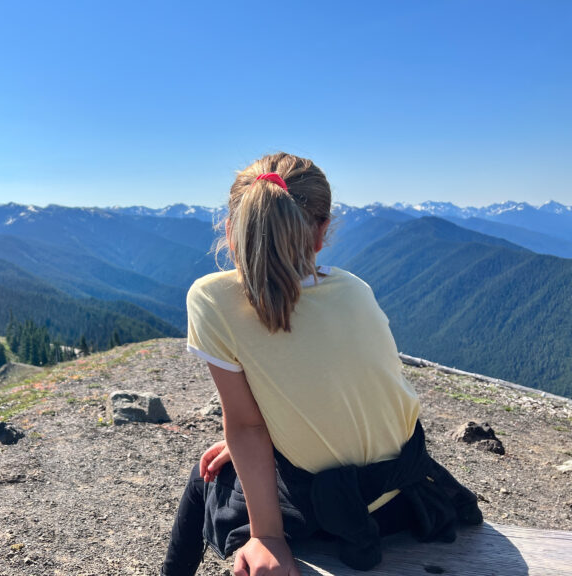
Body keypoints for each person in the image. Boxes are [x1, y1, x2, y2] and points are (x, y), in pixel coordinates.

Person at [161, 152, 482, 576]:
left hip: (332, 512)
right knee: (233, 460)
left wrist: (268, 537)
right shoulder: (355, 289)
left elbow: (246, 426)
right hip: (409, 498)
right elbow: (340, 391)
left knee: (206, 481)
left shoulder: (213, 298)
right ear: (322, 232)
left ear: (231, 232)